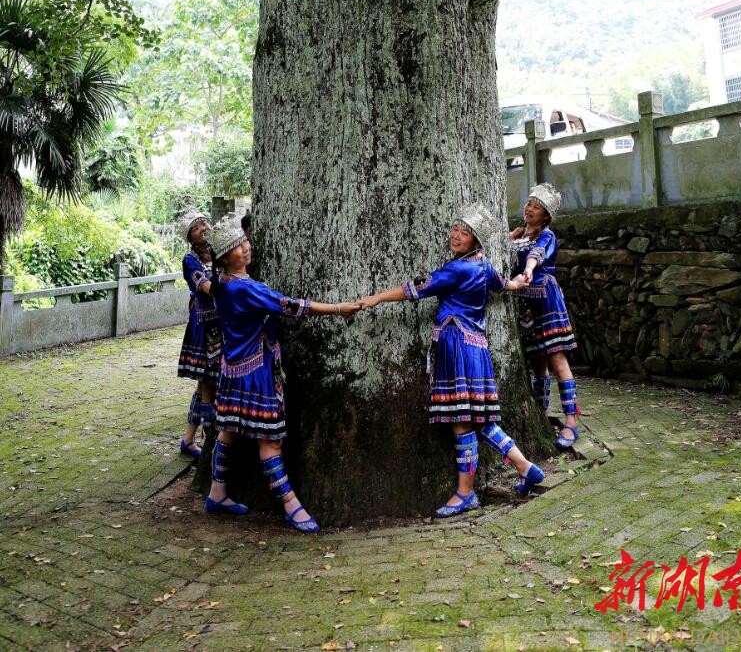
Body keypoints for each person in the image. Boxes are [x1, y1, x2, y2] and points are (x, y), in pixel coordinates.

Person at [359, 203, 545, 518]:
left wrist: (376, 298)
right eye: (456, 229)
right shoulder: (484, 266)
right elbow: (504, 285)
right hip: (477, 351)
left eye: (466, 233)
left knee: (462, 423)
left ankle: (465, 493)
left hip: (456, 348)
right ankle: (526, 467)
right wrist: (519, 281)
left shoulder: (456, 269)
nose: (457, 235)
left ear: (476, 241)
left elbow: (416, 289)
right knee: (483, 419)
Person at [204, 215, 360, 529]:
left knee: (229, 430)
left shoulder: (221, 284)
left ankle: (217, 492)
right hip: (256, 373)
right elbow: (291, 305)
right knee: (270, 441)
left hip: (231, 371)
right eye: (237, 247)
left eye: (245, 242)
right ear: (224, 258)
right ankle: (291, 505)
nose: (245, 249)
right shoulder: (245, 290)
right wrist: (338, 308)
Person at [506, 183, 580, 450]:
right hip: (526, 304)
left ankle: (571, 420)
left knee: (556, 357)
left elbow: (537, 256)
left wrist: (528, 267)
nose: (529, 209)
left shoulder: (546, 236)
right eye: (528, 203)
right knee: (537, 360)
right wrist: (511, 239)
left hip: (546, 300)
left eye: (536, 207)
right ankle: (541, 411)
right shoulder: (518, 234)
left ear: (546, 215)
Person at [177, 208, 221, 459]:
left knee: (202, 385)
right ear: (191, 237)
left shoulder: (217, 252)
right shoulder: (190, 260)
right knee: (208, 384)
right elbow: (207, 287)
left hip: (219, 322)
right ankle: (210, 443)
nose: (203, 227)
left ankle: (187, 439)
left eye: (204, 222)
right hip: (204, 326)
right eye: (196, 227)